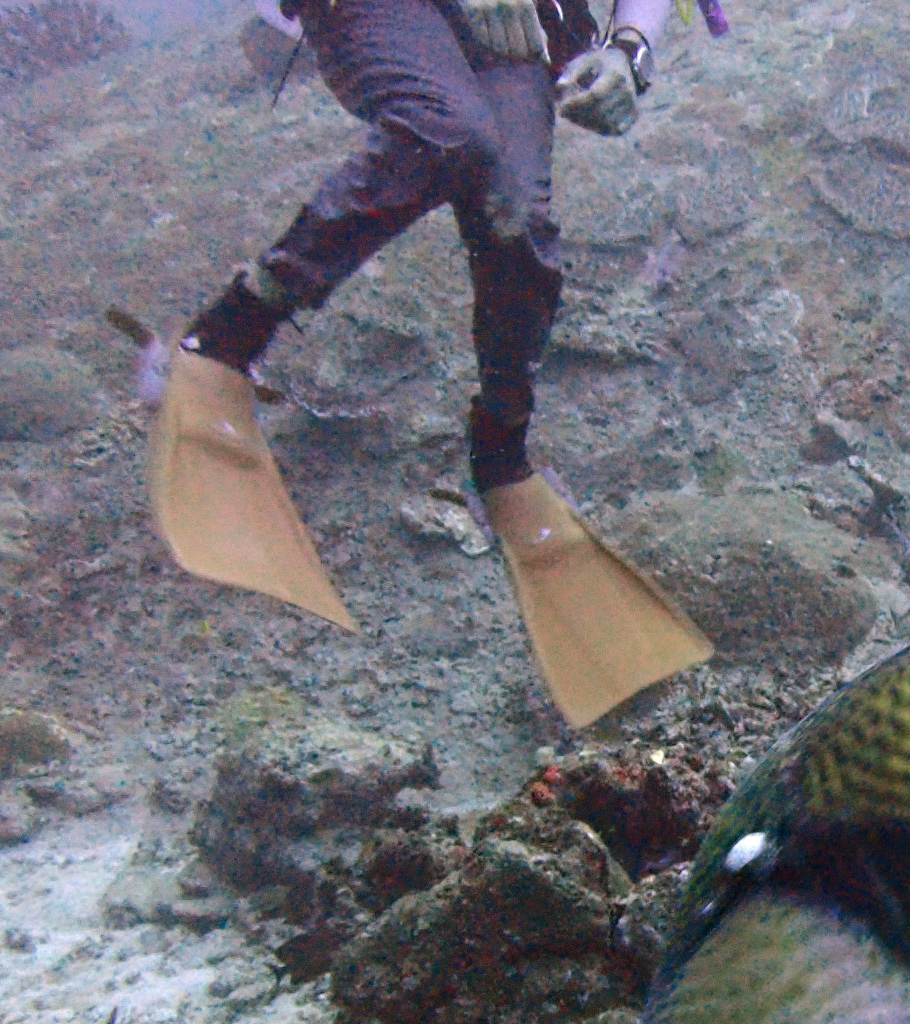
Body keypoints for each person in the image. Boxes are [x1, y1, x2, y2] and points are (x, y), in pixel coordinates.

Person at [148, 0, 711, 726]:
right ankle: (228, 337)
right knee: (449, 131)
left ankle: (502, 456)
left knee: (518, 220)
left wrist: (631, 48)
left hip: (520, 25)